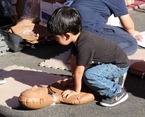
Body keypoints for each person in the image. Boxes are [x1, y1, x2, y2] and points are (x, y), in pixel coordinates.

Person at [47, 6, 130, 107]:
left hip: (118, 65)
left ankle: (117, 92)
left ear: (67, 36)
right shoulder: (78, 38)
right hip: (109, 61)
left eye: (56, 38)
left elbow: (79, 71)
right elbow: (74, 61)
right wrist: (73, 80)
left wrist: (76, 91)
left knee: (90, 76)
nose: (55, 40)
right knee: (86, 76)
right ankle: (114, 79)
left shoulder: (84, 45)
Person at [70, 0, 143, 56]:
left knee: (121, 31)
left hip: (71, 25)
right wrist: (132, 32)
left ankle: (80, 46)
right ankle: (89, 54)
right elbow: (128, 25)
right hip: (89, 28)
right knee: (131, 43)